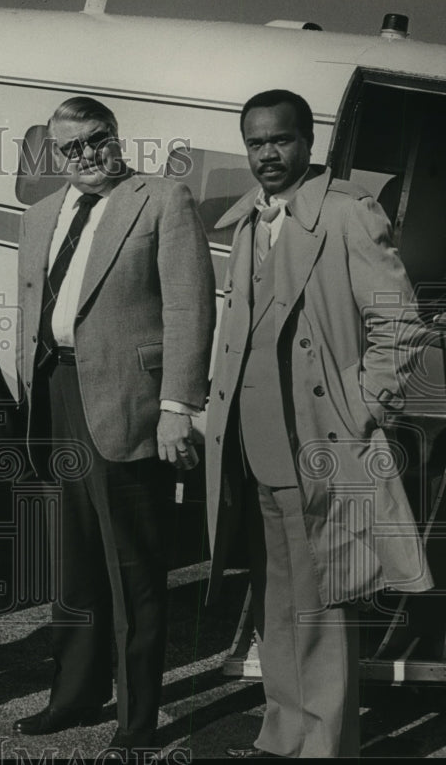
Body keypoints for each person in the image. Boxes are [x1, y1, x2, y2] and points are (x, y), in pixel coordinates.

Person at [204, 89, 433, 758]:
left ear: (309, 143)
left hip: (320, 446)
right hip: (254, 449)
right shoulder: (248, 220)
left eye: (278, 140)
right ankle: (283, 732)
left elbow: (401, 326)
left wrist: (367, 408)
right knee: (275, 601)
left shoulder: (347, 214)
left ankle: (326, 744)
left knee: (324, 606)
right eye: (254, 142)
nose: (266, 155)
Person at [13, 96, 216, 753]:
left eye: (96, 139)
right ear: (54, 154)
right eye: (69, 147)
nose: (86, 155)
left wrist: (177, 409)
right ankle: (73, 695)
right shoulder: (40, 216)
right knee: (72, 565)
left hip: (130, 405)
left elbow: (189, 309)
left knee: (134, 569)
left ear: (116, 136)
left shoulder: (162, 200)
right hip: (58, 396)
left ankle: (137, 718)